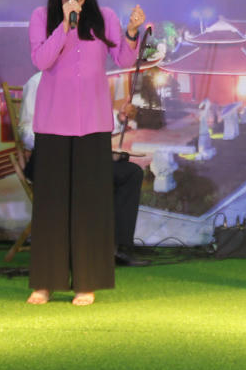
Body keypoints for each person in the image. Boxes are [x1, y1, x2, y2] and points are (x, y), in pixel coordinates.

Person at [26, 0, 146, 306]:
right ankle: (45, 282)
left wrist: (132, 32)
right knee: (51, 206)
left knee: (90, 206)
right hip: (53, 123)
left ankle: (86, 282)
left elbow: (125, 59)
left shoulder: (105, 17)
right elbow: (41, 60)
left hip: (93, 124)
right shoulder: (41, 17)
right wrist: (65, 24)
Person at [17, 71, 149, 268]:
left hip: (83, 158)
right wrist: (59, 138)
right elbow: (25, 131)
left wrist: (119, 118)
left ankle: (118, 248)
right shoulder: (39, 81)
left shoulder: (86, 80)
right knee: (78, 173)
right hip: (49, 158)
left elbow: (95, 122)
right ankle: (66, 249)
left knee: (130, 173)